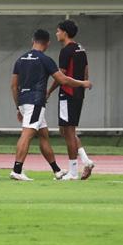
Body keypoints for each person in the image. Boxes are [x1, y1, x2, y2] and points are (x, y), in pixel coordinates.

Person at [10, 29, 92, 181]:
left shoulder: (20, 59)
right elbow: (63, 80)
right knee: (27, 134)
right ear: (47, 43)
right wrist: (83, 83)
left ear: (32, 40)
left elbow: (14, 86)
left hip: (23, 101)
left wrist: (18, 107)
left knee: (43, 135)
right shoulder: (45, 59)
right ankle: (17, 170)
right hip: (35, 102)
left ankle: (57, 170)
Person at [46, 19, 95, 180]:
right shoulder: (81, 49)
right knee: (65, 130)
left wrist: (49, 91)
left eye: (58, 31)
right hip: (78, 93)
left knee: (68, 132)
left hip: (67, 93)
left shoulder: (66, 51)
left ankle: (73, 171)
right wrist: (82, 86)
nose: (56, 33)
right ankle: (86, 161)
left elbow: (60, 76)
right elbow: (86, 70)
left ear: (65, 33)